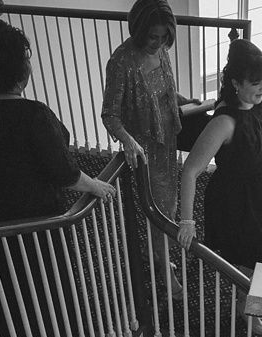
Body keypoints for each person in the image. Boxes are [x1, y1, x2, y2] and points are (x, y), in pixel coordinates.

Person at [176, 39, 262, 334]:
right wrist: (187, 221)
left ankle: (248, 306)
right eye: (256, 83)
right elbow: (190, 170)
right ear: (235, 83)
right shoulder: (224, 122)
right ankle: (247, 308)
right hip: (237, 198)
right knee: (248, 258)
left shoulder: (258, 102)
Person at [0, 19, 115, 225]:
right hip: (38, 219)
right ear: (20, 70)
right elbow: (64, 172)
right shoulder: (34, 114)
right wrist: (95, 186)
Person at [102, 0, 203, 295]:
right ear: (138, 30)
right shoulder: (122, 62)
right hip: (144, 149)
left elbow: (165, 90)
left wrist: (186, 102)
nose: (158, 44)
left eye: (163, 39)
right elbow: (109, 114)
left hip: (167, 139)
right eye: (153, 37)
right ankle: (163, 267)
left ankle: (157, 252)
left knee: (168, 204)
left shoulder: (161, 52)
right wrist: (129, 141)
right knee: (159, 209)